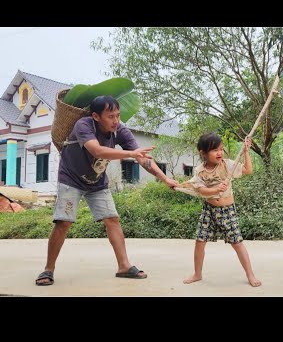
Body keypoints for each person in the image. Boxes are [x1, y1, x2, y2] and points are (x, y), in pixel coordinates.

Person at [35, 95, 179, 286]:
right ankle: (48, 269)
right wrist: (131, 154)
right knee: (64, 222)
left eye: (118, 115)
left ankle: (124, 266)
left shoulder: (120, 130)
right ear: (96, 116)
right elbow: (98, 151)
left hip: (96, 181)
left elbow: (143, 158)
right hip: (71, 178)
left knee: (112, 219)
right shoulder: (83, 125)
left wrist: (165, 178)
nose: (116, 120)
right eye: (111, 116)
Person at [182, 133, 261, 287]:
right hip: (209, 210)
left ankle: (250, 275)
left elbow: (248, 170)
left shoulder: (227, 165)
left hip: (227, 211)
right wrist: (216, 189)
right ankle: (197, 274)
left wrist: (246, 151)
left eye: (221, 149)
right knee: (199, 241)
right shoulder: (199, 171)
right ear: (203, 153)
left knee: (237, 243)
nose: (219, 153)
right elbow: (202, 191)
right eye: (214, 150)